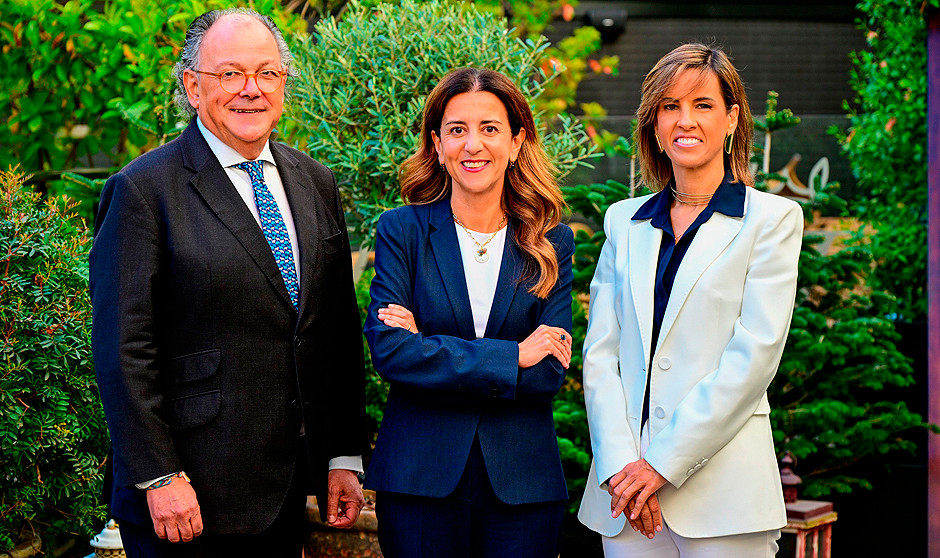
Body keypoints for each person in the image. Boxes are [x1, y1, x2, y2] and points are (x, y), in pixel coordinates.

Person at [89, 9, 368, 557]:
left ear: (283, 84)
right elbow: (123, 350)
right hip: (184, 498)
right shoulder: (143, 191)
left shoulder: (315, 182)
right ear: (193, 87)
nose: (251, 89)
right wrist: (159, 476)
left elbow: (334, 329)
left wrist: (341, 456)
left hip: (284, 489)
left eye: (267, 73)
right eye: (231, 73)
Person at [577, 43, 802, 557]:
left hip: (725, 496)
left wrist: (660, 465)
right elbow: (600, 356)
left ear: (732, 118)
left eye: (703, 105)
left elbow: (753, 358)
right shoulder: (622, 222)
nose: (686, 120)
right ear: (654, 124)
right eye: (670, 106)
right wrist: (621, 468)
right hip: (625, 498)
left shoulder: (772, 221)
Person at [362, 67, 574, 558]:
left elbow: (547, 372)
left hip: (523, 482)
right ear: (437, 145)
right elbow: (391, 352)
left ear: (516, 142)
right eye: (457, 130)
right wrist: (512, 356)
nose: (472, 145)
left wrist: (428, 348)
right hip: (419, 478)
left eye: (490, 128)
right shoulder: (402, 231)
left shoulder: (551, 242)